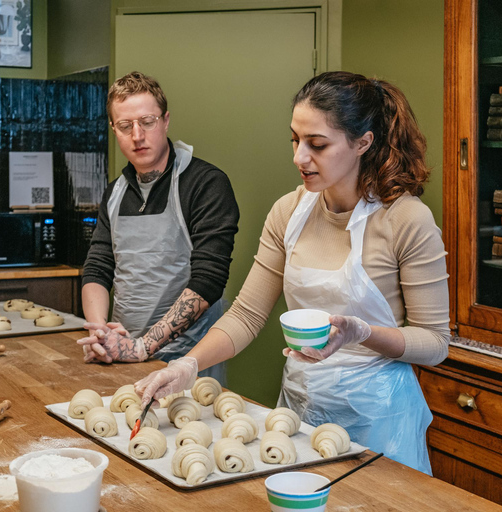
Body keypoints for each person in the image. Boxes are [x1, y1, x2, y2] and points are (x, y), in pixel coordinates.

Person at [135, 71, 450, 475]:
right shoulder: (289, 211)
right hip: (299, 412)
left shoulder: (406, 219)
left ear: (362, 142)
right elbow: (248, 313)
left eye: (317, 144)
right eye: (295, 140)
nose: (299, 158)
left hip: (379, 421)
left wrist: (362, 333)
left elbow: (435, 342)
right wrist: (187, 365)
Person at [78, 71, 239, 384]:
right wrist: (100, 333)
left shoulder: (206, 184)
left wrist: (143, 347)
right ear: (114, 129)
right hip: (123, 354)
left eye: (147, 121)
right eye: (125, 126)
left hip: (188, 360)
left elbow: (209, 279)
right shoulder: (115, 193)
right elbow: (98, 267)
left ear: (165, 121)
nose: (137, 135)